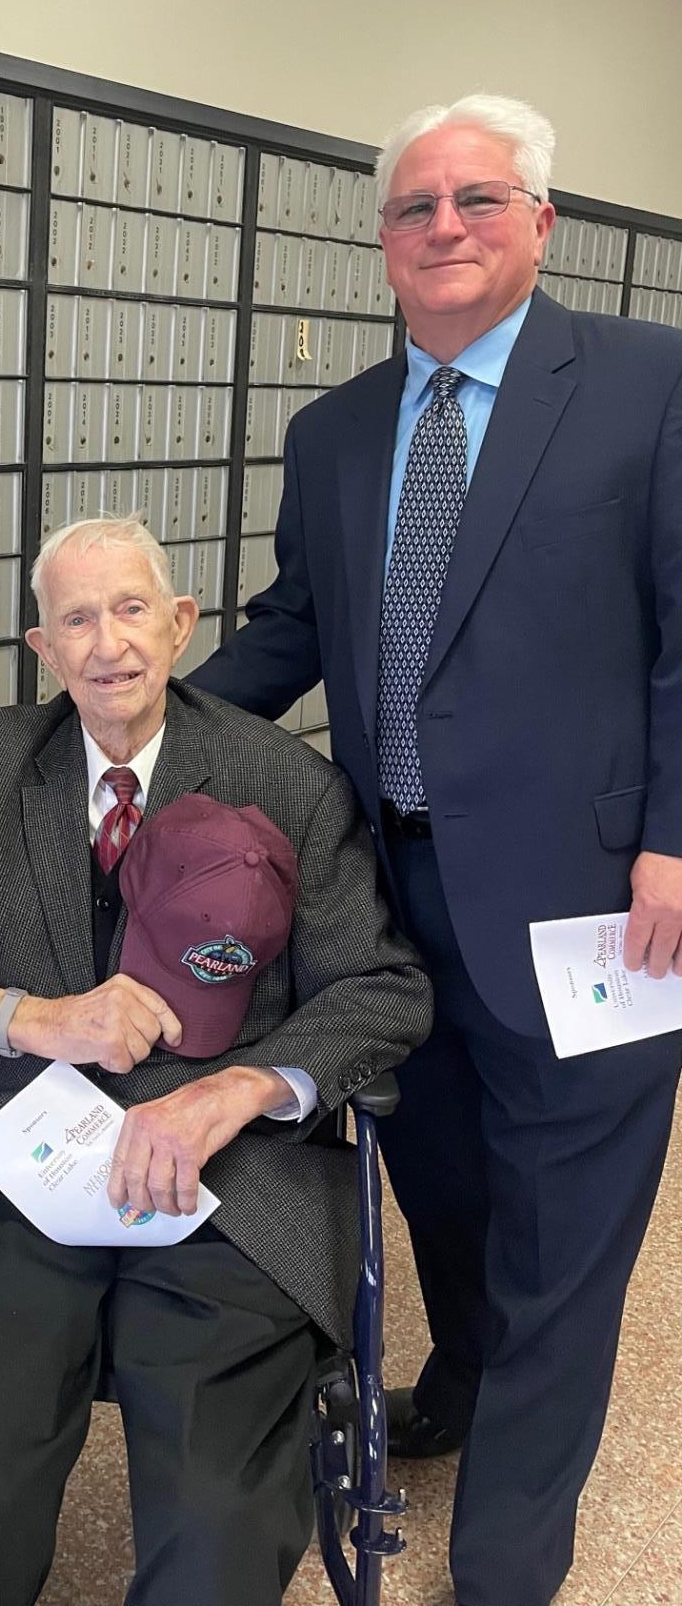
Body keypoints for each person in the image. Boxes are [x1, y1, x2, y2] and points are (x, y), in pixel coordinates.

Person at [189, 93, 682, 1606]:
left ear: (544, 222)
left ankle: (507, 1565)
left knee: (568, 1237)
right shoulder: (334, 431)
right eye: (416, 207)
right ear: (384, 241)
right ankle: (459, 1380)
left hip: (596, 908)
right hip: (391, 901)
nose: (446, 227)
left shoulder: (650, 386)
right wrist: (115, 733)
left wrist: (676, 839)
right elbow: (293, 634)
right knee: (447, 1186)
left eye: (480, 199)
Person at [0, 516, 430, 1606]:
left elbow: (380, 989)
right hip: (13, 1158)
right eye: (77, 619)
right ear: (41, 649)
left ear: (184, 624)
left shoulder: (285, 780)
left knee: (216, 1500)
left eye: (133, 608)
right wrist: (25, 1017)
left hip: (225, 1177)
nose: (109, 644)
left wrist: (237, 1089)